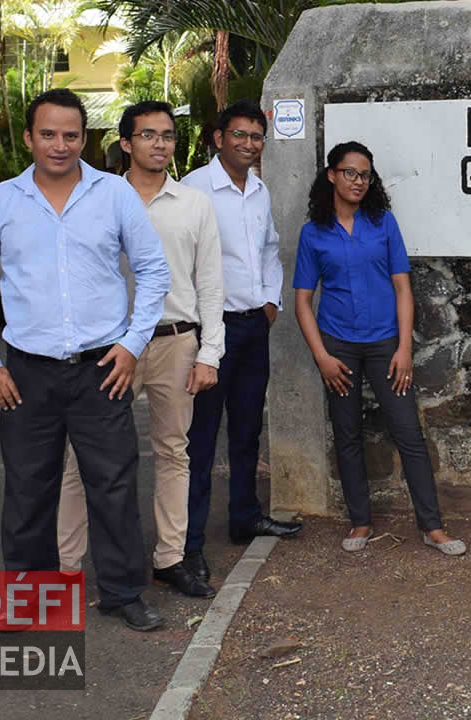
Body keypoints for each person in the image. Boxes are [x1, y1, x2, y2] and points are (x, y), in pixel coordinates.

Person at [0, 89, 171, 631]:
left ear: (84, 138)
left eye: (70, 134)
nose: (59, 144)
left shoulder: (114, 195)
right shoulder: (1, 202)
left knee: (115, 485)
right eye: (47, 134)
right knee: (29, 488)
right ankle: (29, 600)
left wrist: (131, 344)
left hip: (103, 369)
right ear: (29, 138)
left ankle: (122, 593)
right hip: (26, 372)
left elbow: (153, 272)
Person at [56, 101, 225, 599]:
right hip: (108, 348)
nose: (159, 144)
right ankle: (67, 566)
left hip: (176, 341)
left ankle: (170, 558)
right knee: (81, 457)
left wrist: (209, 353)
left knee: (174, 451)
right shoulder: (97, 200)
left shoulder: (194, 203)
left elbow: (211, 283)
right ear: (126, 143)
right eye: (148, 135)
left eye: (168, 135)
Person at [292, 142, 466, 556]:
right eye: (350, 173)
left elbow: (403, 287)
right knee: (347, 433)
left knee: (408, 433)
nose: (358, 181)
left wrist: (404, 347)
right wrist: (321, 357)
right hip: (338, 347)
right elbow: (302, 301)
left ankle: (433, 526)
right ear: (331, 175)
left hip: (386, 344)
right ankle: (360, 521)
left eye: (365, 175)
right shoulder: (313, 232)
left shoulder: (382, 223)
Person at [181, 100, 301, 584]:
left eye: (256, 137)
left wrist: (271, 302)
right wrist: (205, 329)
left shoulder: (259, 190)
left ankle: (244, 517)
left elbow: (270, 250)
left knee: (248, 429)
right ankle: (186, 543)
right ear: (218, 138)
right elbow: (182, 264)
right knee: (201, 440)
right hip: (213, 330)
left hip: (255, 327)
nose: (249, 145)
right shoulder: (193, 190)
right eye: (240, 136)